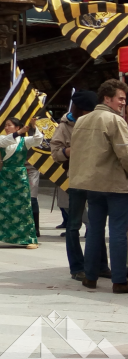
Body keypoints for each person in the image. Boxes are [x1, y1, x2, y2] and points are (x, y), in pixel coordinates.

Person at [69, 79, 128, 293]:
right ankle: (119, 280)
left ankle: (90, 276)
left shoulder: (82, 121)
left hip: (91, 184)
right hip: (115, 184)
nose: (123, 102)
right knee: (118, 232)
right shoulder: (115, 120)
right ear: (107, 98)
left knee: (94, 230)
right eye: (120, 98)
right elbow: (125, 153)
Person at [50, 90, 105, 281]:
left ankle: (100, 265)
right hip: (75, 179)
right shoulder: (65, 125)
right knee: (74, 225)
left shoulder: (99, 122)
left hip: (97, 179)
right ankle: (77, 267)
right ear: (80, 110)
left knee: (96, 223)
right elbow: (55, 153)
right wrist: (70, 151)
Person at [0, 117, 43, 248]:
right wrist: (19, 132)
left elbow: (38, 139)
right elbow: (4, 142)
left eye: (9, 125)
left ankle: (29, 238)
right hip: (6, 175)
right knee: (2, 205)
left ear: (17, 127)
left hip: (20, 176)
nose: (6, 127)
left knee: (24, 206)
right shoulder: (2, 138)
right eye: (5, 125)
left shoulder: (24, 141)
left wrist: (33, 127)